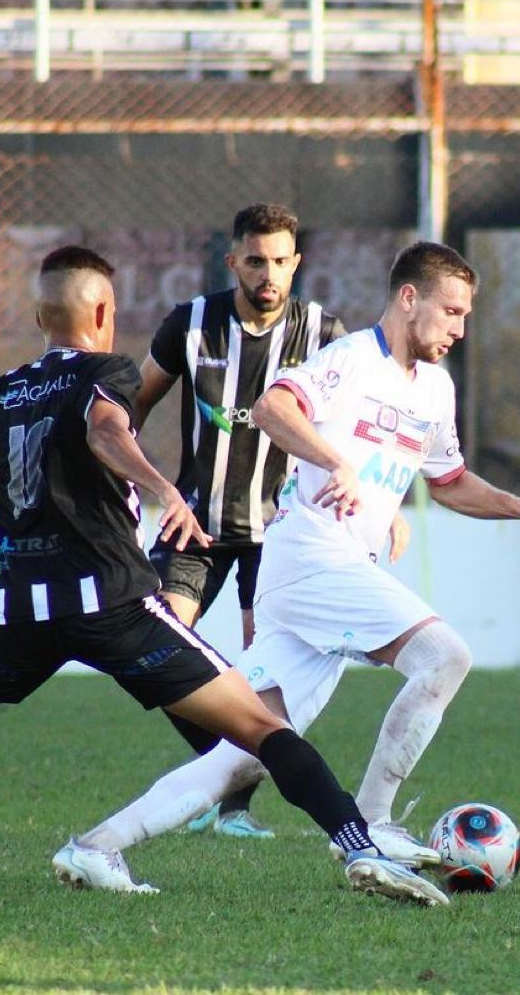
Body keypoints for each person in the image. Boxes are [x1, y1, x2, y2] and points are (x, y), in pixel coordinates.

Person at [0, 245, 449, 910]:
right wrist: (161, 488)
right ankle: (362, 848)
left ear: (39, 319)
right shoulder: (105, 372)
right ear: (102, 313)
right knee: (265, 729)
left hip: (18, 611)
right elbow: (106, 432)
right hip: (112, 605)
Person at [55, 241, 520, 888]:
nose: (458, 330)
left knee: (245, 753)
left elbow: (448, 480)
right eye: (450, 312)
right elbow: (275, 408)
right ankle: (374, 823)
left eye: (466, 316)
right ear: (408, 298)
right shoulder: (354, 359)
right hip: (314, 557)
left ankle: (97, 847)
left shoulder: (436, 390)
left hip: (315, 576)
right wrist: (336, 463)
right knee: (445, 656)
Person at [136, 202, 408, 840]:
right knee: (162, 648)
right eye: (255, 260)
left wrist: (385, 506)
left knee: (265, 682)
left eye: (280, 261)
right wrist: (130, 486)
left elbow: (370, 424)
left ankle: (232, 808)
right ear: (232, 261)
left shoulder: (325, 335)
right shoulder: (191, 323)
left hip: (283, 533)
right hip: (197, 520)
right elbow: (132, 406)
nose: (268, 274)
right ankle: (215, 771)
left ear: (297, 264)